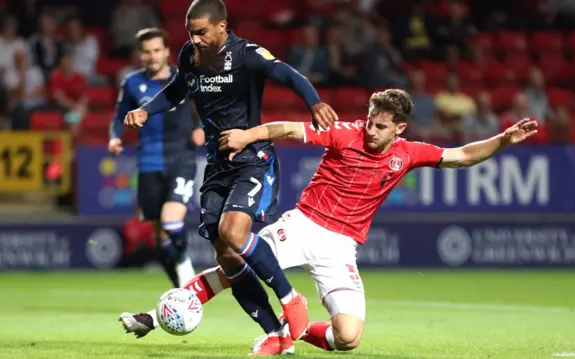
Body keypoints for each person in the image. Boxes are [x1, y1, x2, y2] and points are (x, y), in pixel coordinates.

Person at [120, 88, 538, 355]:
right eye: (370, 120)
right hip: (302, 225)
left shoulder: (408, 153)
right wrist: (249, 135)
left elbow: (461, 155)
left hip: (341, 248)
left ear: (400, 129)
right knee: (233, 261)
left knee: (348, 338)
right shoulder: (344, 133)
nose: (370, 129)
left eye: (381, 126)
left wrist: (501, 140)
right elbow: (286, 128)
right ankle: (157, 316)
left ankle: (292, 330)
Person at [119, 0, 339, 355]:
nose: (195, 39)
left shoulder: (247, 54)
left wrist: (313, 102)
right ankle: (276, 334)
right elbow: (177, 90)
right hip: (217, 166)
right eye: (190, 32)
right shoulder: (189, 56)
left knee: (234, 232)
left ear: (223, 27)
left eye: (202, 32)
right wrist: (146, 110)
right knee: (227, 256)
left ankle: (290, 298)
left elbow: (288, 74)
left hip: (253, 160)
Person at [108, 28, 204, 288]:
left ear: (166, 52)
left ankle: (187, 276)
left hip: (181, 159)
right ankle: (181, 293)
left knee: (172, 220)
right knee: (159, 234)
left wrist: (202, 130)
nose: (152, 56)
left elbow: (209, 106)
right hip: (148, 164)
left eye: (157, 50)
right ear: (140, 55)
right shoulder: (131, 83)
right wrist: (115, 137)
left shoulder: (185, 77)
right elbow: (119, 115)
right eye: (147, 51)